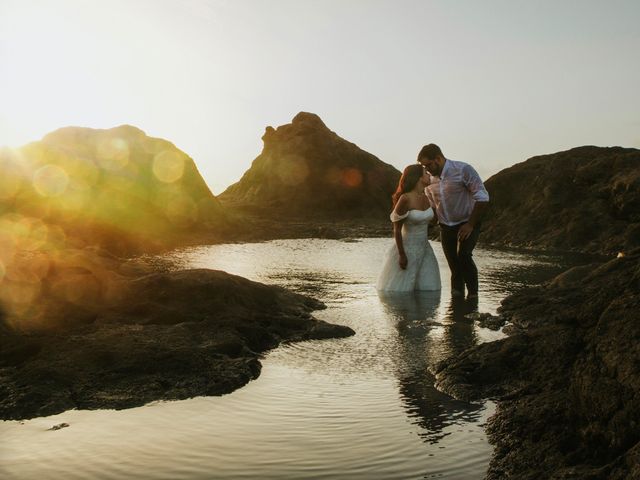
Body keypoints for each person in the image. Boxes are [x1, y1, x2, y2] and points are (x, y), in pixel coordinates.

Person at [417, 143, 489, 299]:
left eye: (428, 165)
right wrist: (424, 226)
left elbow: (483, 197)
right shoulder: (429, 182)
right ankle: (456, 301)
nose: (427, 169)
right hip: (445, 227)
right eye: (424, 166)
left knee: (464, 256)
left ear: (438, 158)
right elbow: (434, 207)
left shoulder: (463, 170)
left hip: (467, 222)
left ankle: (473, 296)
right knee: (453, 264)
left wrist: (470, 224)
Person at [376, 164, 441, 292]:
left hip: (425, 250)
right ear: (418, 177)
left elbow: (433, 221)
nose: (429, 175)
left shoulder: (427, 197)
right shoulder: (405, 199)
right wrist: (401, 254)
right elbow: (397, 229)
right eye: (425, 173)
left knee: (429, 288)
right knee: (402, 291)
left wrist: (438, 201)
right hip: (407, 249)